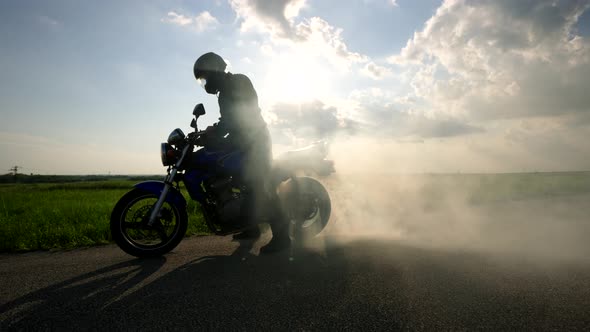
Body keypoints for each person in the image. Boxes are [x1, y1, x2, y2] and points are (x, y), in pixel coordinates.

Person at [193, 52, 290, 253]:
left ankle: (283, 239)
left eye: (205, 77)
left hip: (256, 141)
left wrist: (217, 131)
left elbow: (241, 114)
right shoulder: (223, 92)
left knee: (260, 187)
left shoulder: (238, 82)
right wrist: (213, 131)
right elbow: (229, 120)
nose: (205, 83)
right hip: (240, 141)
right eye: (202, 80)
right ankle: (250, 227)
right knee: (234, 180)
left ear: (215, 71)